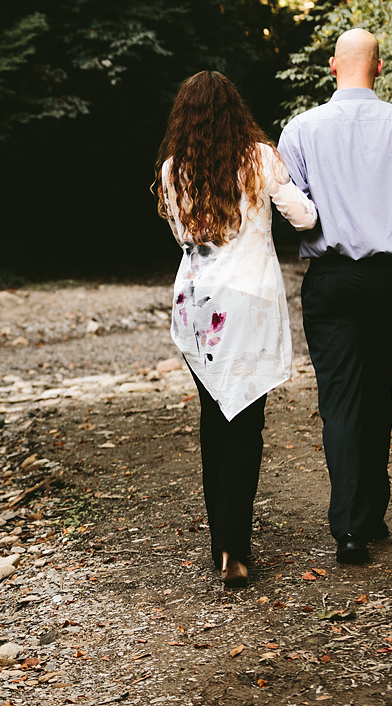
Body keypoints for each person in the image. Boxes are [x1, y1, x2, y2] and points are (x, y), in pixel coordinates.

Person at [277, 28, 392, 566]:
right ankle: (370, 512)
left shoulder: (300, 130)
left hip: (329, 281)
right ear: (379, 68)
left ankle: (352, 528)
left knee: (341, 401)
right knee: (377, 390)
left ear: (333, 66)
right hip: (388, 281)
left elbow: (293, 211)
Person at [155, 71, 318, 589]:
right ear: (234, 109)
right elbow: (304, 218)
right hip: (246, 307)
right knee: (245, 424)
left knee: (212, 419)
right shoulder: (260, 159)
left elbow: (184, 234)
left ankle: (221, 544)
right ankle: (234, 549)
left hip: (197, 304)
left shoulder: (171, 169)